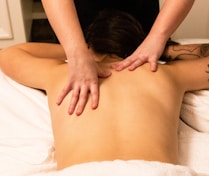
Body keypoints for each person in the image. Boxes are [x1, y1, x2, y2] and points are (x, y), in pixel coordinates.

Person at [0, 9, 209, 176]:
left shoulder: (61, 74)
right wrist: (164, 48)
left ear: (91, 44)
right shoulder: (165, 74)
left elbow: (8, 54)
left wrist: (78, 51)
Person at [41, 0, 195, 116]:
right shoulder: (166, 76)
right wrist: (75, 51)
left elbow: (17, 53)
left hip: (138, 23)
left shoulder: (163, 75)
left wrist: (157, 37)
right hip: (75, 21)